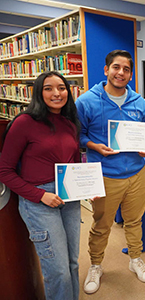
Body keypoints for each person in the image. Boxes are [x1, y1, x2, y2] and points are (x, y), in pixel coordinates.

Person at [76, 50, 145, 294]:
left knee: (134, 221)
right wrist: (93, 145)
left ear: (131, 74)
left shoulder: (139, 101)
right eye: (116, 67)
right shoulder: (86, 101)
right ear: (106, 70)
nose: (121, 73)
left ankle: (135, 258)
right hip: (106, 175)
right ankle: (96, 265)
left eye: (126, 69)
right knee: (101, 224)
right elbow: (76, 135)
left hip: (137, 174)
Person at [0, 71, 81, 300]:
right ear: (38, 92)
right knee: (58, 271)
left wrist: (86, 188)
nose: (57, 93)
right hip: (40, 202)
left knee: (72, 263)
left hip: (69, 197)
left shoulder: (70, 122)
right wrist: (40, 196)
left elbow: (74, 163)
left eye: (62, 88)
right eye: (48, 88)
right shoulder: (24, 123)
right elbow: (4, 171)